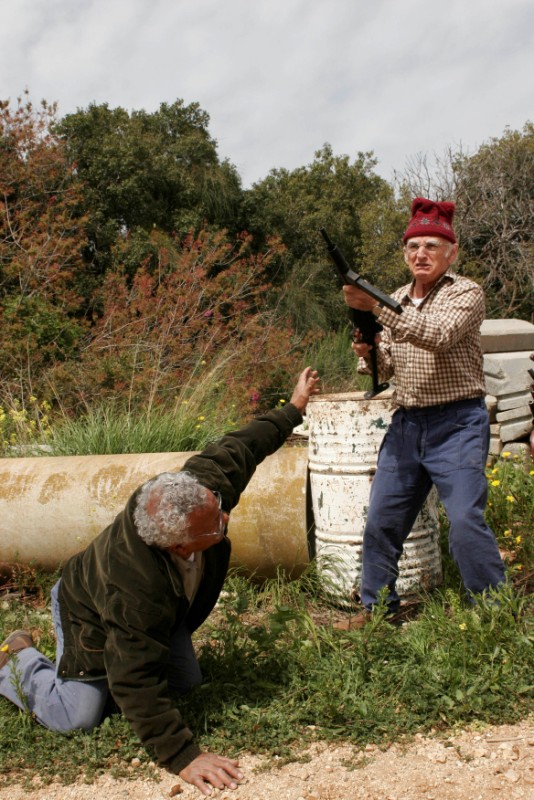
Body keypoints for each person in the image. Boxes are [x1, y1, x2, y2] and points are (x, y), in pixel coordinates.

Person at [0, 367, 320, 797]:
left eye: (217, 510)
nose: (225, 519)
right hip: (86, 610)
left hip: (162, 614)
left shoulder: (197, 493)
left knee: (185, 686)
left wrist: (294, 408)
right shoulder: (133, 588)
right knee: (77, 716)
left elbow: (241, 447)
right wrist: (183, 757)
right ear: (178, 546)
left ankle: (109, 680)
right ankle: (16, 659)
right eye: (215, 527)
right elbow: (134, 676)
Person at [341, 197, 506, 626]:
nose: (421, 254)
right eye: (414, 246)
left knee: (466, 520)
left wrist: (373, 308)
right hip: (407, 423)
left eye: (432, 246)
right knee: (382, 521)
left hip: (457, 423)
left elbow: (439, 335)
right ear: (404, 253)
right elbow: (387, 366)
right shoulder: (396, 297)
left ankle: (493, 612)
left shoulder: (464, 292)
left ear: (450, 253)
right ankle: (377, 611)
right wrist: (368, 350)